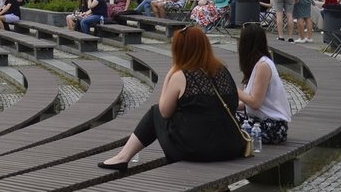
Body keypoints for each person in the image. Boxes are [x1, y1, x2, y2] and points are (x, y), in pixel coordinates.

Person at [98, 27, 246, 169]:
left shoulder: (182, 76)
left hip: (198, 150)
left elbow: (165, 112)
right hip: (230, 145)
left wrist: (170, 74)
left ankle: (123, 157)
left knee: (155, 112)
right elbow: (232, 103)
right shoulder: (222, 70)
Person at [235, 24, 291, 144]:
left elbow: (255, 103)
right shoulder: (258, 64)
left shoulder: (263, 66)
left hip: (272, 127)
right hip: (262, 122)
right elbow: (248, 104)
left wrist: (234, 90)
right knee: (221, 115)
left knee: (223, 122)